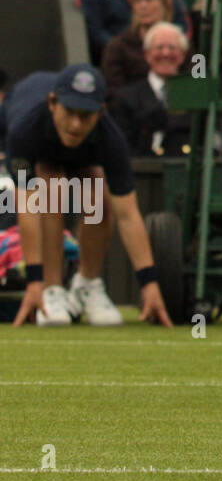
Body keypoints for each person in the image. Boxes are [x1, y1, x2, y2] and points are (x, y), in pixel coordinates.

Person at [0, 63, 173, 327]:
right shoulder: (24, 131)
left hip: (83, 158)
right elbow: (28, 207)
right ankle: (51, 288)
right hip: (38, 153)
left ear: (101, 112)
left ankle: (87, 283)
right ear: (52, 103)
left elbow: (128, 215)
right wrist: (34, 282)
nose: (76, 125)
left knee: (97, 196)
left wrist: (150, 286)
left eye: (86, 115)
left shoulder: (110, 139)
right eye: (69, 112)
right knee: (49, 189)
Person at [108, 21, 191, 156]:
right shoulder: (125, 98)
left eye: (172, 47)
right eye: (159, 47)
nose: (166, 53)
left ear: (182, 55)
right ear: (146, 54)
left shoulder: (195, 96)